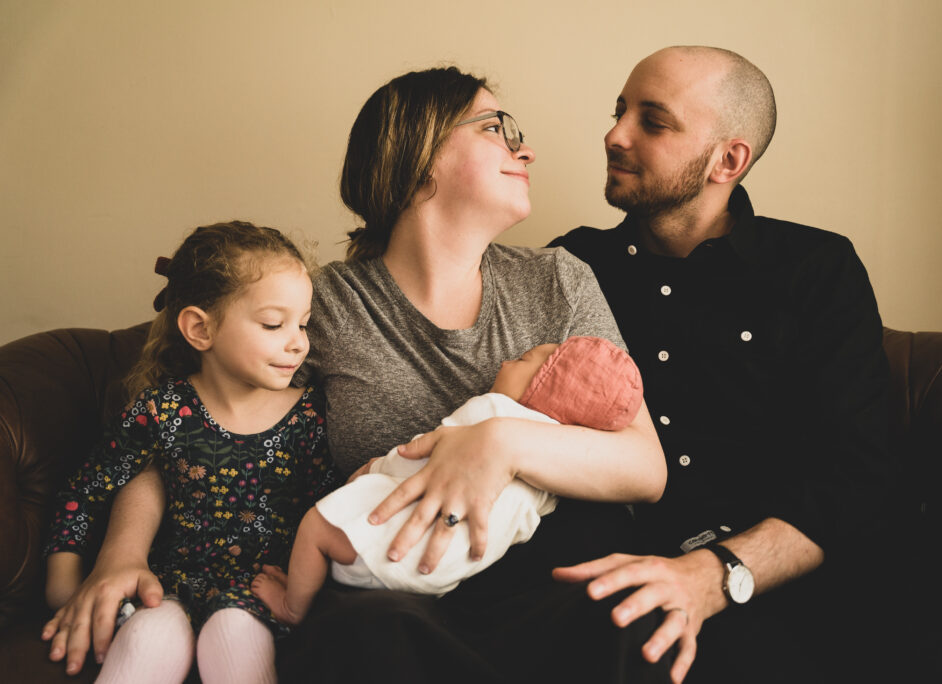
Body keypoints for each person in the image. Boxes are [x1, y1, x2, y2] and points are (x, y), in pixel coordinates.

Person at [42, 68, 670, 684]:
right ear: (418, 155)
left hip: (547, 578)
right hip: (398, 589)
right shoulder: (320, 309)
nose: (524, 150)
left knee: (629, 617)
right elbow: (190, 426)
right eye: (493, 127)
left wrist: (498, 442)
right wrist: (121, 555)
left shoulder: (559, 280)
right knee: (364, 635)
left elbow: (645, 468)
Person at [549, 46, 892, 683]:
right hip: (588, 582)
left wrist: (714, 576)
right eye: (619, 112)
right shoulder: (572, 267)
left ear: (728, 161)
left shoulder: (816, 270)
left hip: (764, 598)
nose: (615, 135)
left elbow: (855, 481)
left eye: (653, 122)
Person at [43, 221, 336, 684]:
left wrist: (303, 592)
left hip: (259, 597)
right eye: (273, 324)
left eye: (303, 323)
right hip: (164, 591)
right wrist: (64, 589)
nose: (298, 341)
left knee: (234, 631)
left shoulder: (312, 415)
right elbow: (85, 491)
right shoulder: (162, 409)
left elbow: (333, 511)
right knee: (150, 634)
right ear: (200, 329)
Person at [252, 335, 644, 622]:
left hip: (398, 545)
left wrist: (373, 468)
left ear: (541, 389)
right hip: (442, 577)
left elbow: (423, 456)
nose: (505, 362)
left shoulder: (491, 411)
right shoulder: (558, 469)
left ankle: (292, 607)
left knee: (316, 527)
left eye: (522, 360)